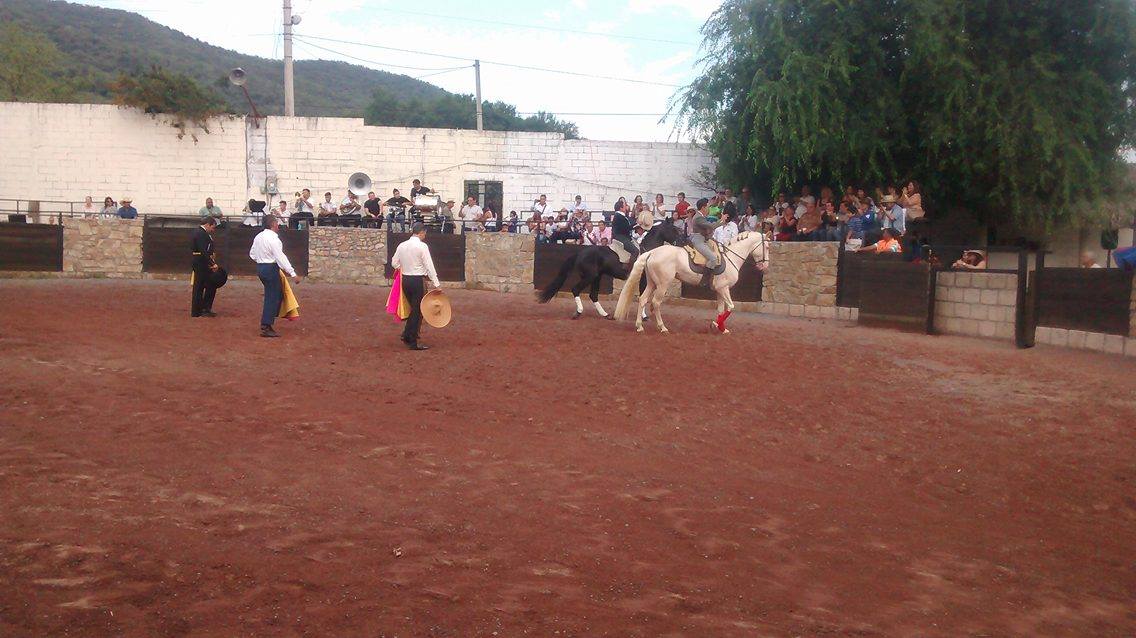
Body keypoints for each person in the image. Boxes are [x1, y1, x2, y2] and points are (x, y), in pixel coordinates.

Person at [391, 222, 441, 351]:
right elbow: (429, 265)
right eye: (425, 233)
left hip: (405, 279)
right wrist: (437, 284)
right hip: (417, 280)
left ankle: (407, 334)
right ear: (422, 232)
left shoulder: (402, 245)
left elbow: (394, 262)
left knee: (414, 309)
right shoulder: (422, 246)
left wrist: (403, 268)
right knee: (418, 310)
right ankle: (411, 339)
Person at [250, 215, 301, 338]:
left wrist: (261, 260)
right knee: (273, 296)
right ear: (272, 224)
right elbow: (280, 257)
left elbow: (252, 253)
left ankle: (268, 320)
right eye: (276, 223)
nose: (278, 225)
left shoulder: (258, 237)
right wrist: (292, 273)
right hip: (270, 268)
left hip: (261, 267)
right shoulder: (274, 239)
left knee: (272, 295)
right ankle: (266, 324)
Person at [690, 197, 727, 283]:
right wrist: (721, 220)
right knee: (713, 258)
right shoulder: (698, 217)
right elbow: (711, 226)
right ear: (703, 207)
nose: (709, 208)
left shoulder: (701, 216)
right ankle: (704, 280)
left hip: (704, 239)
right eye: (707, 206)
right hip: (698, 240)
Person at [191, 217, 220, 318]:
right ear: (208, 224)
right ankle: (199, 310)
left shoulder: (200, 233)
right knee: (200, 286)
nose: (213, 230)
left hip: (200, 261)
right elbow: (203, 250)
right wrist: (212, 263)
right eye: (212, 227)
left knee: (202, 285)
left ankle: (201, 309)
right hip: (201, 263)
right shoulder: (201, 233)